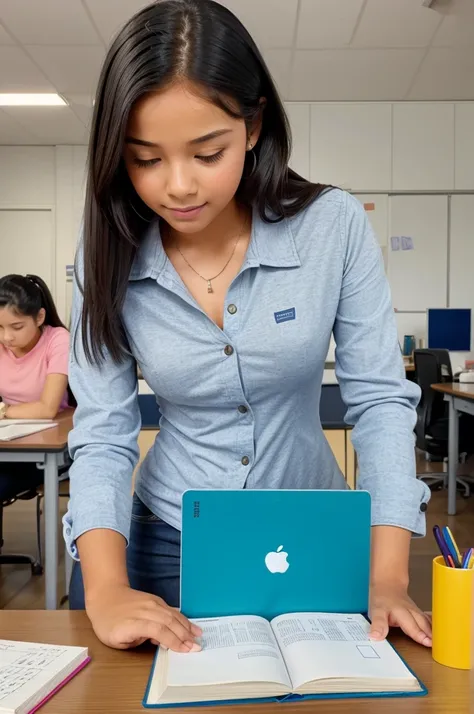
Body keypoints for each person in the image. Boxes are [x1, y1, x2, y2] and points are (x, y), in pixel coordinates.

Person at [64, 0, 432, 655]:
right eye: (145, 160)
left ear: (254, 125)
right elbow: (104, 433)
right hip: (164, 537)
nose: (177, 186)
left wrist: (387, 574)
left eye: (207, 152)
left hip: (312, 533)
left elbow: (379, 399)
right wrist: (108, 589)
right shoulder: (108, 252)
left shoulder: (332, 226)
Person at [0, 274, 71, 495]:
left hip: (47, 449)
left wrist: (4, 411)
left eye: (16, 327)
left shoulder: (58, 340)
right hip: (8, 444)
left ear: (39, 317)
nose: (7, 337)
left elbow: (47, 408)